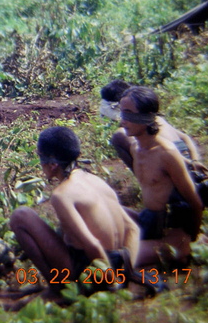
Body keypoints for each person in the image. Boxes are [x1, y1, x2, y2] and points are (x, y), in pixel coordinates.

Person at [9, 127, 140, 299]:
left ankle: (57, 290)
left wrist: (111, 282)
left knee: (20, 216)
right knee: (64, 231)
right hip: (118, 261)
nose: (40, 163)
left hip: (95, 269)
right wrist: (127, 271)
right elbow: (133, 229)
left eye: (40, 156)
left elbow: (92, 245)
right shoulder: (96, 180)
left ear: (53, 163)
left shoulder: (62, 194)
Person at [118, 87, 204, 266]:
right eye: (121, 113)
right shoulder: (135, 147)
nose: (122, 120)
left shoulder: (166, 153)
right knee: (109, 209)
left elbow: (195, 203)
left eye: (129, 114)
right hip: (149, 221)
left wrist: (191, 241)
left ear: (147, 116)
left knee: (117, 259)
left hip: (169, 232)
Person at [100, 80, 205, 173]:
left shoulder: (133, 128)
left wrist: (189, 164)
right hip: (184, 159)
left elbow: (160, 149)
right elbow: (185, 138)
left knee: (118, 137)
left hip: (177, 163)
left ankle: (146, 180)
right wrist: (194, 161)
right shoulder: (156, 118)